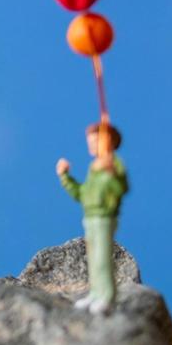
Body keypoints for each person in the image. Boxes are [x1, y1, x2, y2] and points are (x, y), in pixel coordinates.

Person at [56, 123, 129, 314]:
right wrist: (65, 177)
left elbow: (122, 187)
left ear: (107, 141)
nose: (91, 145)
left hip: (104, 218)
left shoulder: (112, 164)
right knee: (94, 258)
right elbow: (82, 194)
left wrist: (111, 170)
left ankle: (107, 296)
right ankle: (96, 293)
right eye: (90, 141)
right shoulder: (94, 167)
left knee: (103, 257)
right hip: (90, 218)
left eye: (95, 140)